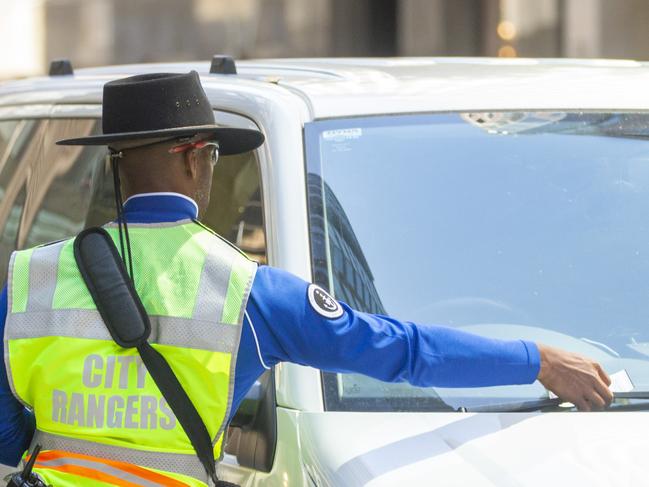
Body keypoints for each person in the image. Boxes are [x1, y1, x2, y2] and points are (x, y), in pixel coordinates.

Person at [0, 71, 613, 486]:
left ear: (116, 162)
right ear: (193, 156)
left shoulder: (28, 280)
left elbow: (5, 437)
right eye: (213, 155)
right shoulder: (249, 291)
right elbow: (400, 350)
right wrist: (535, 360)